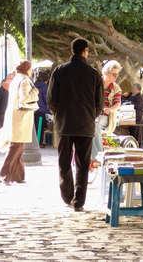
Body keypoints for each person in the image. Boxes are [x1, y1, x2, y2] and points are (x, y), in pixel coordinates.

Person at [47, 38, 103, 211]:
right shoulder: (93, 74)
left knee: (64, 161)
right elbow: (99, 103)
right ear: (85, 51)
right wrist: (90, 115)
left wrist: (59, 114)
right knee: (82, 164)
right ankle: (79, 201)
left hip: (64, 124)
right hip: (85, 125)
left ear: (72, 51)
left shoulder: (59, 71)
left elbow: (51, 99)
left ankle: (67, 195)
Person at [0, 61, 39, 185]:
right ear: (27, 69)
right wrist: (35, 93)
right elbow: (25, 98)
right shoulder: (25, 81)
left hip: (14, 117)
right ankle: (4, 174)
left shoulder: (16, 79)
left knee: (18, 148)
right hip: (20, 119)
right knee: (16, 147)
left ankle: (18, 176)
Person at [91, 60, 122, 160]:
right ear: (106, 72)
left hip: (106, 116)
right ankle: (94, 157)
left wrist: (109, 109)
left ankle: (98, 157)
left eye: (117, 74)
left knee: (94, 127)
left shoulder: (116, 88)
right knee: (87, 128)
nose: (116, 77)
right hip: (92, 114)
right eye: (114, 74)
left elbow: (117, 104)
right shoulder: (94, 83)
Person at [34, 71, 50, 148]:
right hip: (41, 110)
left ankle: (34, 142)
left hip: (33, 109)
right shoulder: (44, 86)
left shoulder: (33, 85)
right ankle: (38, 143)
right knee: (40, 126)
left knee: (35, 127)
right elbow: (46, 99)